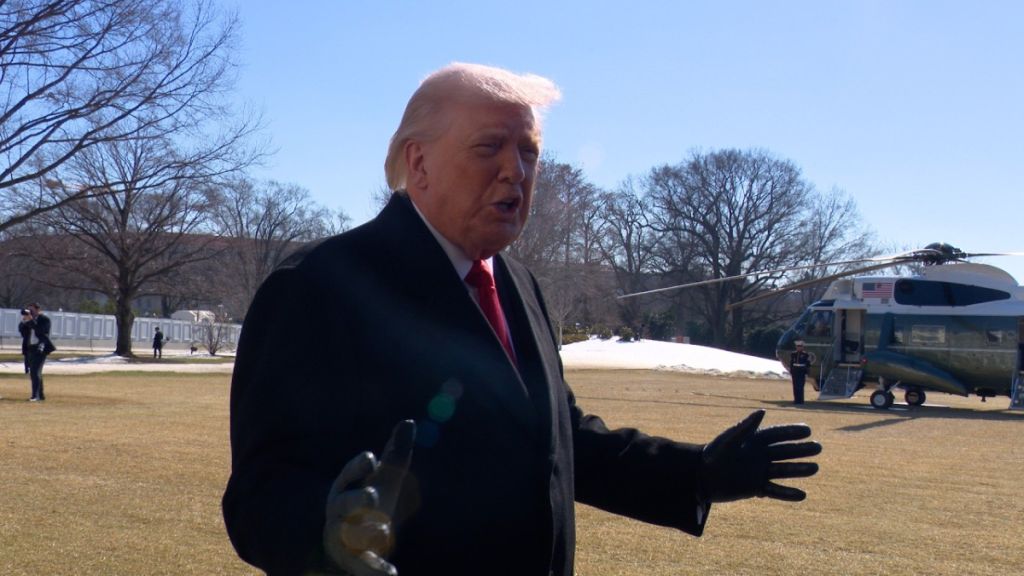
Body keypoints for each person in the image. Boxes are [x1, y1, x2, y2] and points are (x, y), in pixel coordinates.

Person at [222, 63, 822, 576]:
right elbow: (259, 494)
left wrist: (694, 475)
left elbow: (559, 442)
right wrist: (324, 535)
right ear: (419, 163)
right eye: (489, 147)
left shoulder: (519, 284)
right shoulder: (316, 288)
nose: (517, 170)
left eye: (529, 151)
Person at [23, 303, 56, 402]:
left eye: (32, 310)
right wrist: (24, 321)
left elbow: (41, 331)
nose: (30, 312)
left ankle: (35, 396)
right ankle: (40, 395)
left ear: (38, 310)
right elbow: (22, 332)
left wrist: (31, 321)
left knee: (35, 371)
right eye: (29, 310)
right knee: (35, 372)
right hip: (30, 348)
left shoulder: (44, 319)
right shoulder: (29, 320)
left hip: (40, 348)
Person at [18, 308, 32, 374]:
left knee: (31, 356)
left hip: (32, 341)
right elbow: (20, 329)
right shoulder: (23, 322)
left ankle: (31, 368)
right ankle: (27, 369)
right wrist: (24, 322)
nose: (25, 316)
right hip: (26, 341)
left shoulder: (32, 322)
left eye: (26, 315)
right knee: (26, 356)